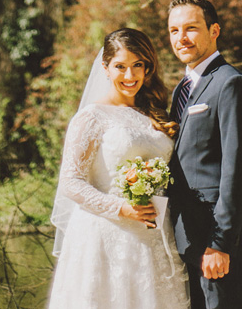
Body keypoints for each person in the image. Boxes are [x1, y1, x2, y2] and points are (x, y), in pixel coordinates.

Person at [48, 27, 189, 309]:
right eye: (120, 67)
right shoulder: (91, 117)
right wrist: (122, 208)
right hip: (107, 235)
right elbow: (71, 181)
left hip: (154, 234)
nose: (130, 75)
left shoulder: (154, 113)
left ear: (147, 68)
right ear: (106, 68)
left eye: (138, 65)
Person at [166, 0, 242, 309]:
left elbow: (237, 168)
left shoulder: (231, 84)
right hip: (186, 238)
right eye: (174, 30)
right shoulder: (182, 89)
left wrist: (220, 243)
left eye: (191, 28)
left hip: (216, 242)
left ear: (214, 30)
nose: (181, 38)